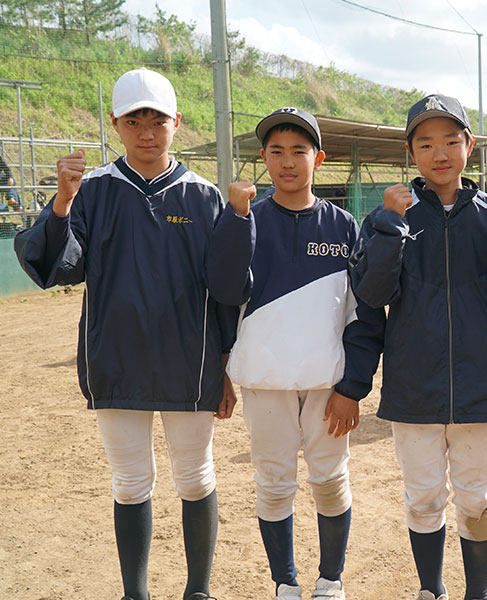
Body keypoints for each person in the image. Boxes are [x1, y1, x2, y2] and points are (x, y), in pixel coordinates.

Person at [14, 67, 237, 600]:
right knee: (131, 482)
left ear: (176, 123)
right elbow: (60, 267)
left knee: (196, 477)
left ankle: (198, 590)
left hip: (190, 363)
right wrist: (61, 202)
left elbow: (228, 291)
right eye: (133, 119)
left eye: (156, 118)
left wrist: (228, 364)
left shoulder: (204, 197)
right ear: (115, 124)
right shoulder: (92, 191)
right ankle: (134, 592)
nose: (145, 130)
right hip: (117, 359)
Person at [346, 94, 487, 600]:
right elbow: (373, 294)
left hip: (482, 386)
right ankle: (431, 590)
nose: (440, 153)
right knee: (423, 499)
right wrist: (390, 226)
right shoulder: (391, 216)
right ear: (412, 152)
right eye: (426, 143)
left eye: (451, 140)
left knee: (477, 501)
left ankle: (476, 593)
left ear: (469, 146)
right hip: (415, 387)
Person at [207, 107, 381, 600]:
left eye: (299, 151)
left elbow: (364, 314)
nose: (287, 162)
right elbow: (222, 295)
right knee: (275, 483)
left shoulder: (345, 226)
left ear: (318, 159)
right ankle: (285, 582)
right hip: (263, 381)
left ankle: (330, 581)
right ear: (262, 158)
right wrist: (222, 372)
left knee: (329, 479)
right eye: (276, 151)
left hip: (327, 384)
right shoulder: (245, 219)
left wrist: (353, 387)